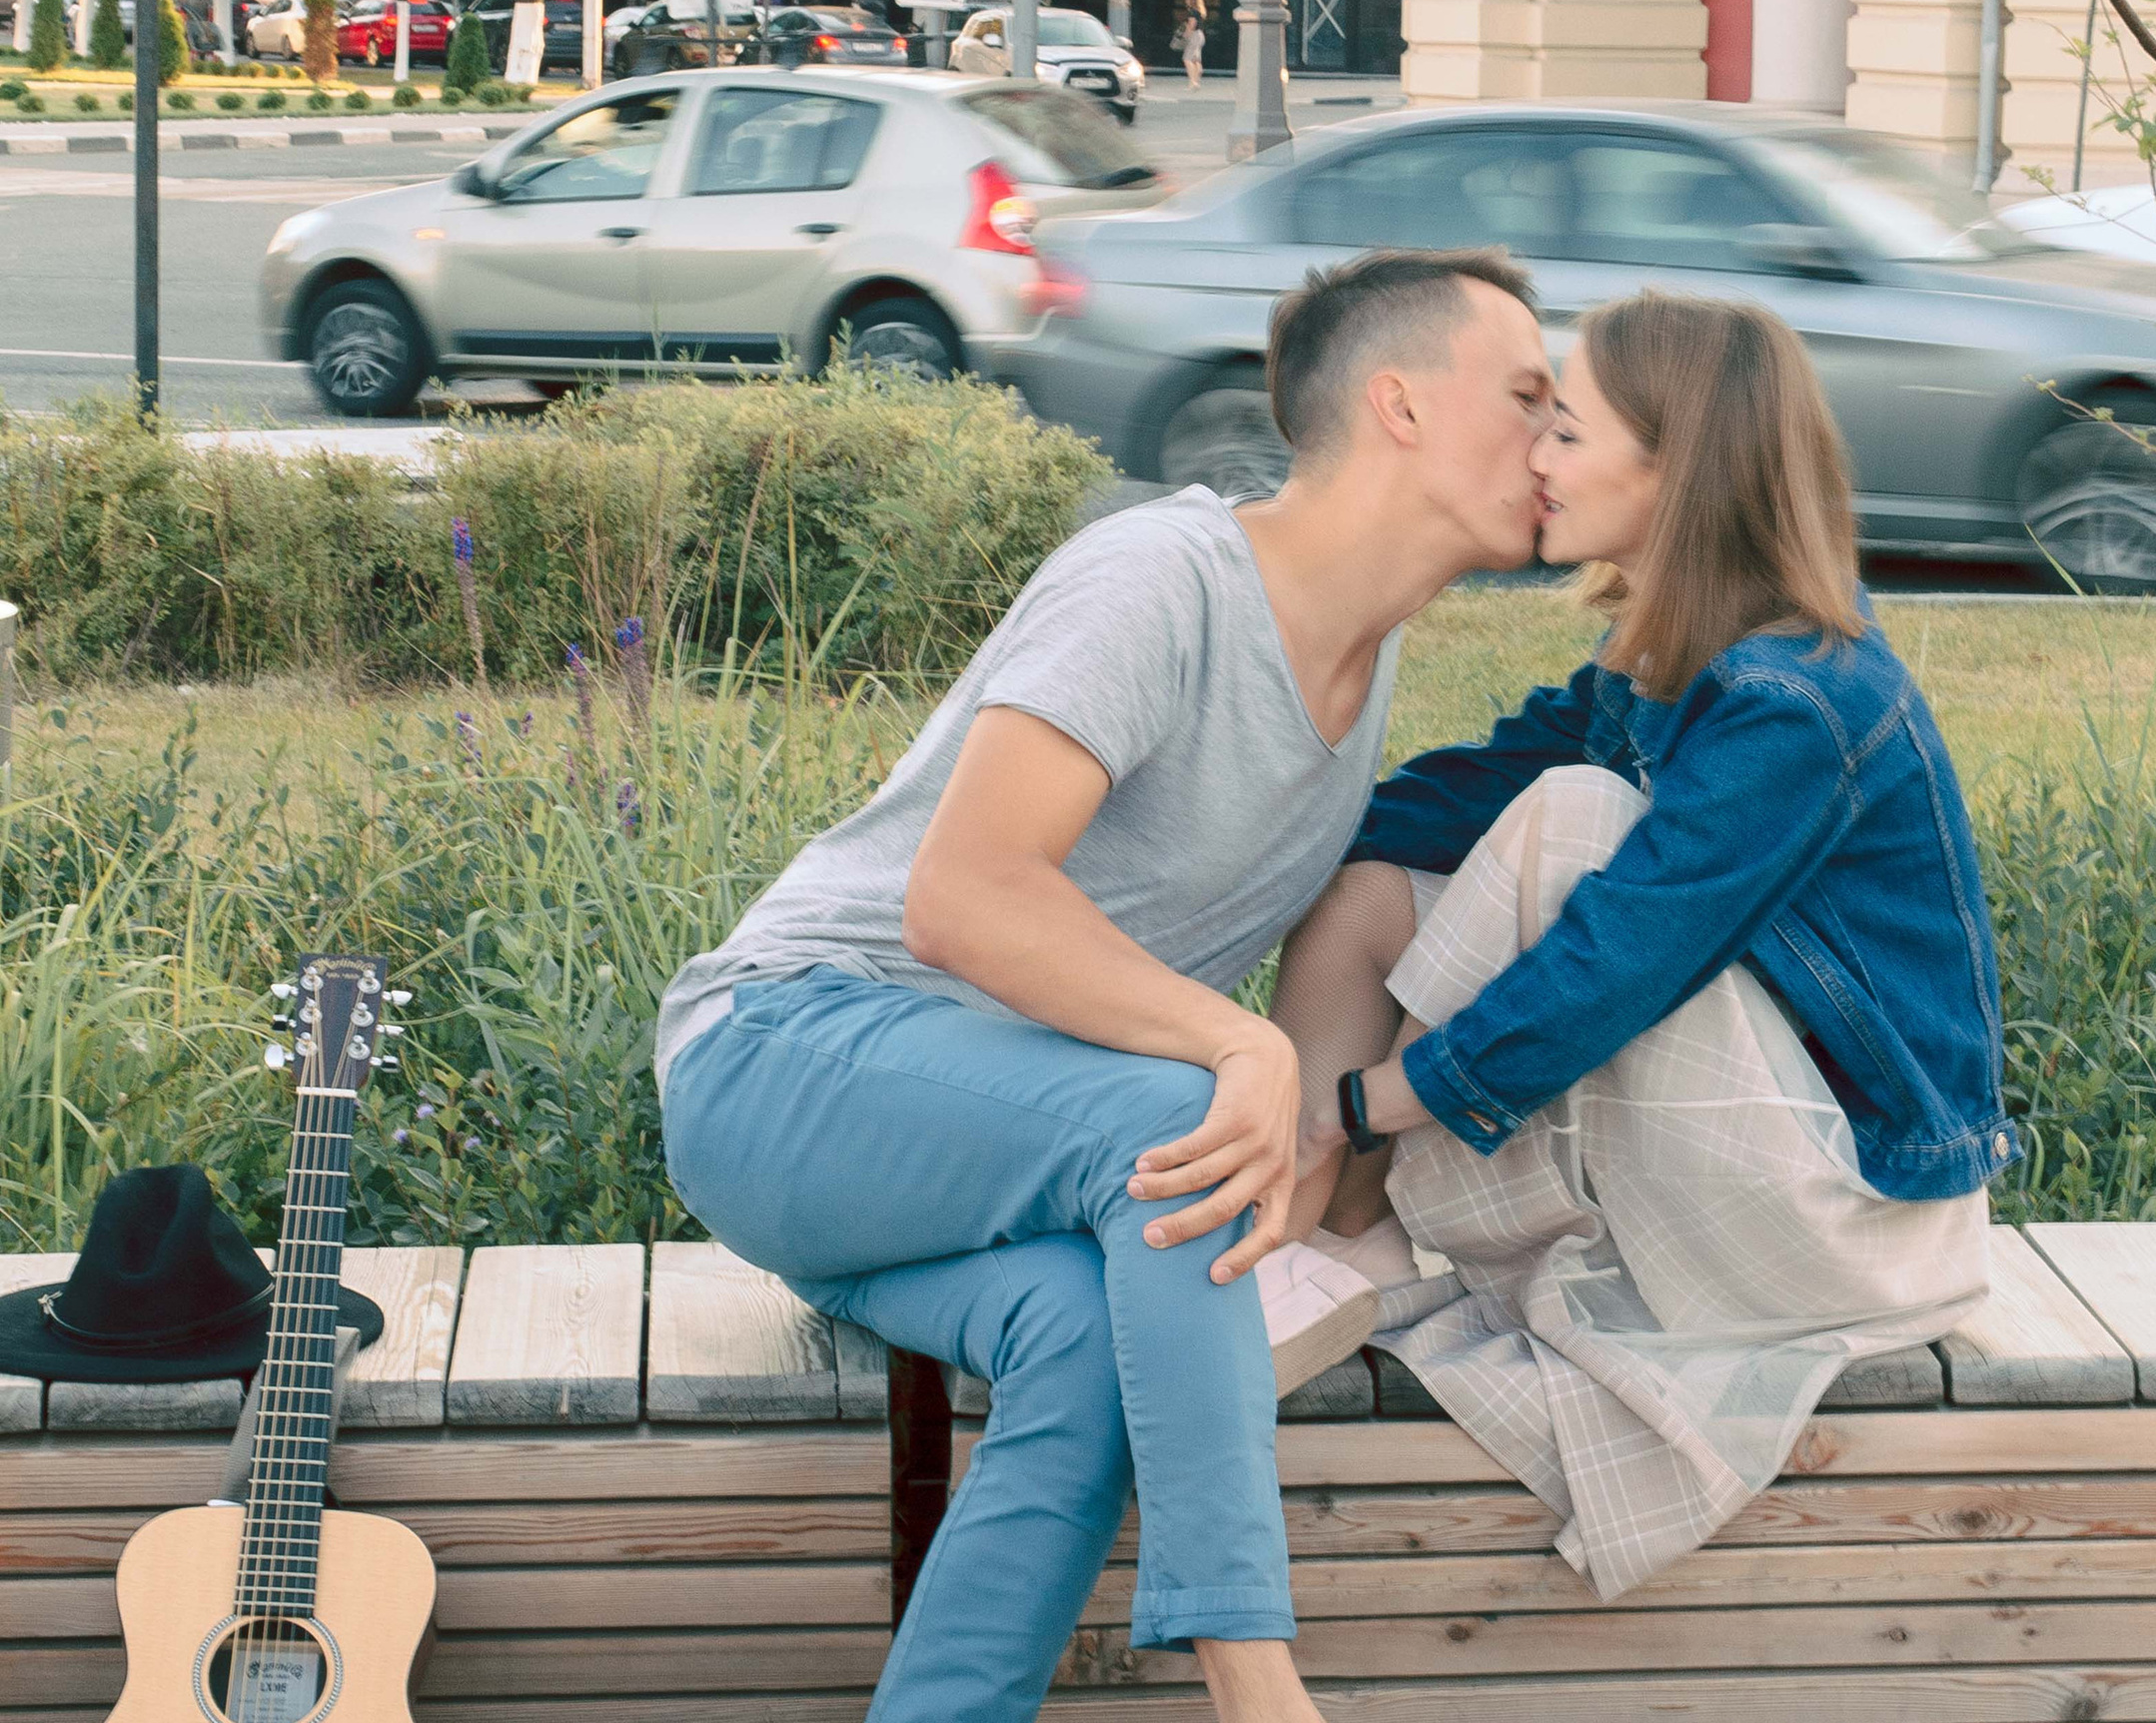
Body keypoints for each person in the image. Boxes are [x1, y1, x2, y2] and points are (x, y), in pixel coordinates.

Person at [654, 249, 1557, 1723]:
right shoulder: (1165, 578)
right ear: (1399, 404)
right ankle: (1258, 1687)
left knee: (1083, 1343)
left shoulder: (1364, 655)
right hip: (787, 1061)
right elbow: (968, 893)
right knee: (1176, 1123)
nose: (1555, 434)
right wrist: (1237, 1051)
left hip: (961, 1172)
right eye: (1526, 394)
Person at [1228, 293, 2009, 1600]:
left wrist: (1362, 1106)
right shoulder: (1670, 659)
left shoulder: (1797, 700)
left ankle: (1323, 1183)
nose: (1536, 457)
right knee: (1370, 884)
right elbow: (1447, 795)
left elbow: (1616, 964)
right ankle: (1327, 1242)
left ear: (1676, 469)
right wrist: (1246, 859)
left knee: (1580, 822)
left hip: (1863, 1219)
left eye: (1569, 432)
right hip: (1748, 1151)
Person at [1177, 0, 1208, 88]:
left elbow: (1192, 25)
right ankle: (1196, 81)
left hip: (1194, 35)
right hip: (1200, 35)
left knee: (1187, 59)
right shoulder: (1200, 11)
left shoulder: (1193, 12)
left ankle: (1192, 82)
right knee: (1196, 60)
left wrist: (1185, 36)